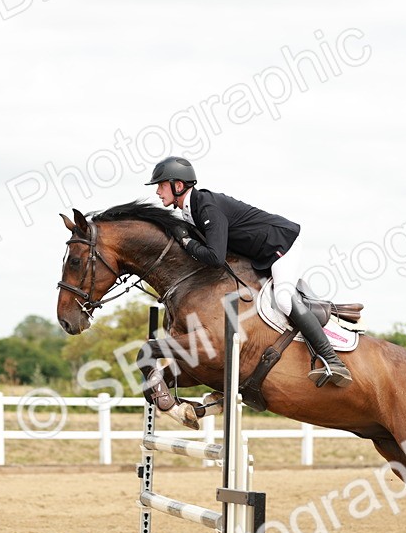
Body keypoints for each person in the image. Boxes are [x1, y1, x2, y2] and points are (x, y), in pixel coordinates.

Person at [146, 156, 352, 387]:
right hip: (256, 254)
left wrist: (186, 242)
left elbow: (215, 257)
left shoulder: (206, 207)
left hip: (280, 245)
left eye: (161, 185)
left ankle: (332, 360)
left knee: (283, 299)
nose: (157, 192)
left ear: (178, 185)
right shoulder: (189, 211)